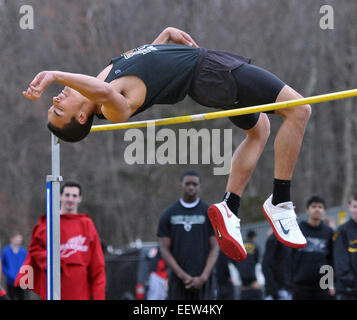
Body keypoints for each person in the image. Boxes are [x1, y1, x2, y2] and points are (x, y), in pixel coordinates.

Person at [23, 26, 311, 261]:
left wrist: (164, 38)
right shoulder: (111, 108)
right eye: (59, 110)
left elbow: (146, 67)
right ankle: (281, 201)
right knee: (299, 109)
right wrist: (55, 74)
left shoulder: (102, 79)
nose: (56, 99)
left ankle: (229, 206)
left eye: (54, 105)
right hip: (210, 73)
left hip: (209, 75)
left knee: (259, 129)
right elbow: (104, 92)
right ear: (83, 116)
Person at [15, 181, 106, 300]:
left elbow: (97, 265)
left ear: (80, 198)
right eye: (67, 195)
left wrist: (99, 296)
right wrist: (52, 260)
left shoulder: (86, 224)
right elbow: (35, 249)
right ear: (60, 196)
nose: (70, 199)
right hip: (54, 288)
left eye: (74, 196)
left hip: (80, 291)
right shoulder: (48, 223)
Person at [157, 170, 219, 300]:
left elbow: (215, 248)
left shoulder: (209, 213)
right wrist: (183, 276)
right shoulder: (169, 213)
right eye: (188, 183)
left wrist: (203, 277)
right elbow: (164, 249)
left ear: (199, 186)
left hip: (204, 282)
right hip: (178, 282)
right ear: (181, 185)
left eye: (195, 184)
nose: (191, 187)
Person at [291, 196, 335, 300]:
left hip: (322, 286)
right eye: (313, 206)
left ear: (324, 211)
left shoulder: (329, 232)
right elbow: (289, 256)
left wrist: (331, 283)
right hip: (300, 285)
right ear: (308, 210)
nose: (317, 209)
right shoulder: (298, 229)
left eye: (320, 207)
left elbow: (332, 259)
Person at [333, 194, 357, 300]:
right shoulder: (342, 231)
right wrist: (350, 282)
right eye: (355, 206)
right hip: (349, 291)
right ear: (349, 207)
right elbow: (340, 262)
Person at [262, 230, 292, 300]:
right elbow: (266, 265)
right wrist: (273, 290)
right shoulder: (273, 239)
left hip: (287, 288)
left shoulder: (289, 238)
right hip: (278, 289)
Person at [236, 230, 263, 300]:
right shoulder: (255, 245)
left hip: (241, 273)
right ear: (253, 237)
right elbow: (257, 260)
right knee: (257, 291)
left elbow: (234, 258)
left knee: (244, 290)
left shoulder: (241, 245)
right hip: (252, 273)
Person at [1, 232, 27, 300]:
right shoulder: (6, 251)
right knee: (10, 297)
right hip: (10, 281)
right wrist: (8, 273)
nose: (19, 241)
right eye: (17, 239)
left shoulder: (23, 252)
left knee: (22, 297)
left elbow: (26, 265)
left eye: (20, 239)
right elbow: (2, 264)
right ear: (12, 239)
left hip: (21, 281)